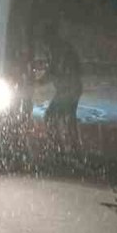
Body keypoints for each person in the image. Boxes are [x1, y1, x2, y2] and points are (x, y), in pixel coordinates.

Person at [39, 23, 82, 151]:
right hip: (72, 88)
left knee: (50, 116)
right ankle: (73, 147)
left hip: (68, 90)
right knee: (68, 118)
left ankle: (58, 147)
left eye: (45, 38)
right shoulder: (62, 47)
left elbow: (53, 70)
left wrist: (38, 82)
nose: (44, 42)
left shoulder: (57, 49)